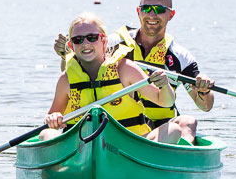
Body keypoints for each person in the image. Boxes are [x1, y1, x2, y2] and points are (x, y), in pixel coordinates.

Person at [54, 0, 214, 143]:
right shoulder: (110, 43)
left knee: (188, 122)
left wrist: (204, 90)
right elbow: (75, 76)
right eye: (146, 9)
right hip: (119, 125)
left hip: (159, 126)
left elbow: (205, 106)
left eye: (159, 9)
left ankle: (180, 160)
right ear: (138, 12)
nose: (152, 14)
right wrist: (65, 55)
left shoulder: (181, 57)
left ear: (171, 14)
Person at [43, 12, 182, 143]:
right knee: (46, 135)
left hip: (131, 144)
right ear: (71, 46)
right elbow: (51, 121)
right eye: (78, 40)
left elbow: (166, 102)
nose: (85, 44)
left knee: (173, 130)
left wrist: (164, 85)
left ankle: (146, 164)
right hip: (82, 146)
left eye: (92, 37)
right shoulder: (66, 79)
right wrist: (52, 118)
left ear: (104, 40)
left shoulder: (125, 69)